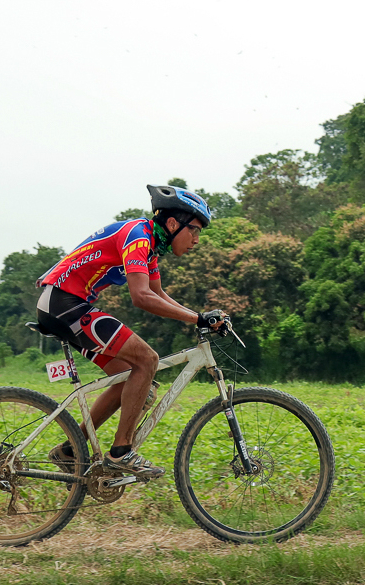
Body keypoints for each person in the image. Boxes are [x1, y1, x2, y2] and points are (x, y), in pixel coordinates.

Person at [36, 184, 225, 479]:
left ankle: (70, 450)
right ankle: (121, 454)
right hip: (63, 303)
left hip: (68, 304)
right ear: (174, 224)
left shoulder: (150, 245)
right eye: (195, 231)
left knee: (130, 379)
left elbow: (157, 292)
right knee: (147, 360)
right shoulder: (138, 235)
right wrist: (197, 318)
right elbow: (141, 297)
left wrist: (199, 319)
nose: (196, 240)